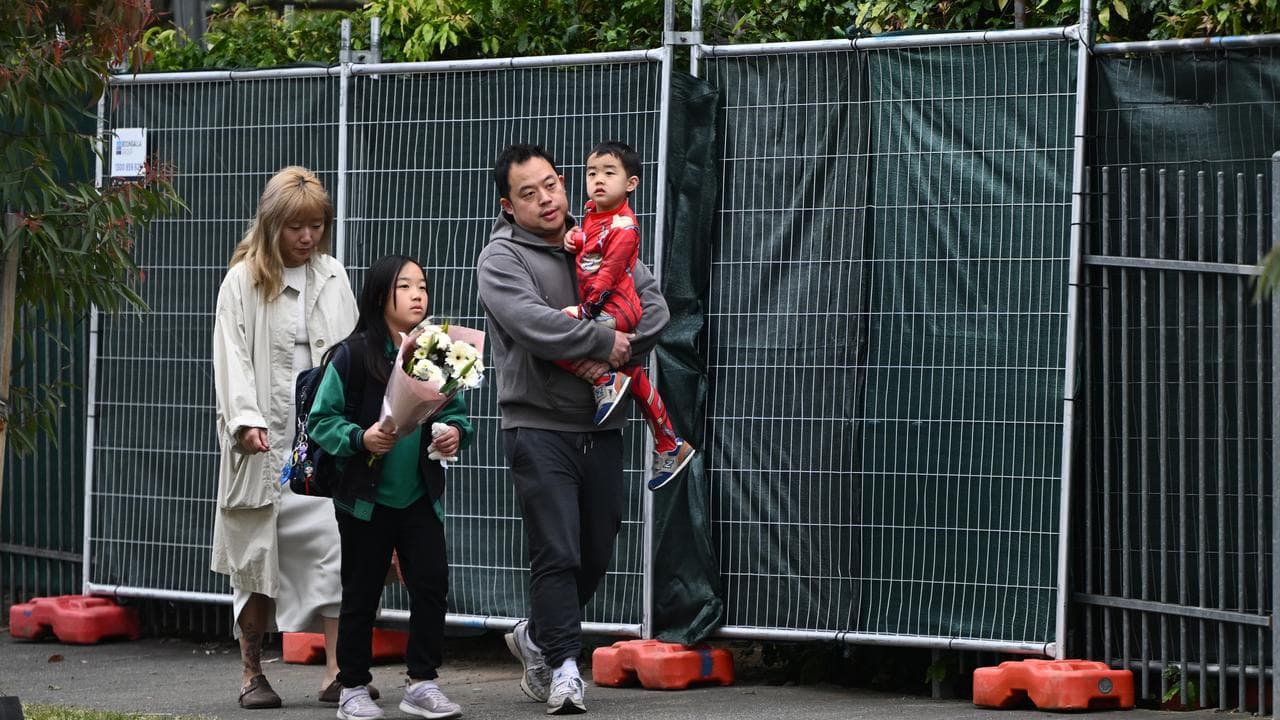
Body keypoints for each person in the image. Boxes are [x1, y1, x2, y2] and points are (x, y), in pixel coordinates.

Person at [476, 143, 672, 715]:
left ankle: (537, 635)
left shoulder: (602, 233)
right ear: (508, 206)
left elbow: (656, 309)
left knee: (597, 548)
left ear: (563, 183)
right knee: (557, 550)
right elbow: (533, 325)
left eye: (551, 185)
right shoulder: (501, 258)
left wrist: (612, 347)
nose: (546, 200)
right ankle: (564, 668)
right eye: (528, 193)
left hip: (602, 423)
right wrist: (604, 340)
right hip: (537, 425)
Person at [211, 166, 360, 709]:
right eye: (296, 226)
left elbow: (353, 349)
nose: (307, 237)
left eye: (316, 225)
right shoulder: (242, 281)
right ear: (271, 224)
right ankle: (252, 672)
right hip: (263, 441)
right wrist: (245, 421)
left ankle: (338, 671)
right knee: (255, 555)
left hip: (321, 441)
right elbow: (231, 358)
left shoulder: (333, 276)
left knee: (335, 547)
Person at [308, 254, 472, 720]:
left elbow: (456, 414)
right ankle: (352, 687)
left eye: (423, 286)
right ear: (381, 296)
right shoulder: (352, 354)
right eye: (405, 286)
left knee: (432, 585)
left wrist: (455, 432)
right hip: (365, 499)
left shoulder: (436, 350)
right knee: (361, 593)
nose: (418, 295)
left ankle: (422, 683)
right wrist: (360, 438)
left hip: (419, 495)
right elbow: (321, 420)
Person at [557, 140, 696, 491]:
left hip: (614, 309)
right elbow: (591, 248)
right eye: (592, 173)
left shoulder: (624, 227)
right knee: (632, 372)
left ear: (631, 183)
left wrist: (584, 311)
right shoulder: (595, 214)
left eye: (609, 172)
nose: (598, 179)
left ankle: (603, 379)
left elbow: (607, 275)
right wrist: (575, 237)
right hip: (607, 307)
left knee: (552, 334)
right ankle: (669, 443)